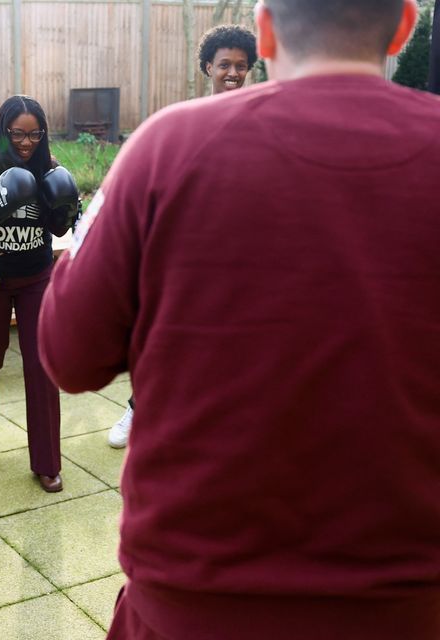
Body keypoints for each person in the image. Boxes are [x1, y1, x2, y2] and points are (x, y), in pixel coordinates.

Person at [39, 0, 440, 637]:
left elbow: (67, 353)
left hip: (193, 608)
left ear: (266, 30)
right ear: (403, 26)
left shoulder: (165, 148)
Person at [107, 23, 259, 450]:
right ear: (207, 66)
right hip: (196, 249)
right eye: (225, 64)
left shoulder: (259, 118)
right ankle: (139, 408)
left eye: (241, 66)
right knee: (170, 336)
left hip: (245, 251)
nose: (233, 72)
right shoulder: (190, 122)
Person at [0, 95, 79, 493]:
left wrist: (66, 208)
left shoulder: (49, 170)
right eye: (18, 134)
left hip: (36, 277)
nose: (26, 142)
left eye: (34, 134)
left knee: (43, 366)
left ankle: (47, 463)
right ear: (3, 130)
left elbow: (59, 231)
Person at [198, 23, 258, 95]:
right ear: (209, 68)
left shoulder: (256, 106)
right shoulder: (195, 106)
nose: (233, 74)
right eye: (224, 65)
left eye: (240, 66)